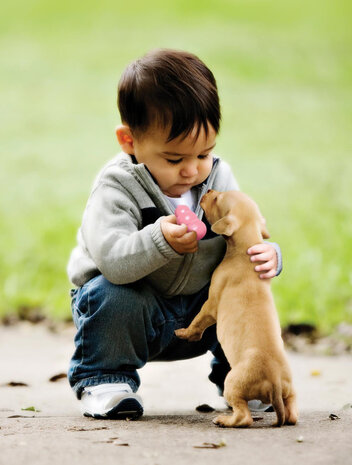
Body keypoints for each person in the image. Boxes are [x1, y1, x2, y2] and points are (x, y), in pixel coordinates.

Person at [67, 49, 282, 419]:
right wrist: (159, 241)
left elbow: (242, 233)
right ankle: (104, 380)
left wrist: (269, 254)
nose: (192, 171)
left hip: (201, 308)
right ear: (129, 141)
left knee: (246, 293)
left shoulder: (217, 177)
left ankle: (242, 378)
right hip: (137, 309)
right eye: (174, 159)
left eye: (204, 153)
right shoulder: (117, 186)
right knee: (111, 295)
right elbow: (114, 262)